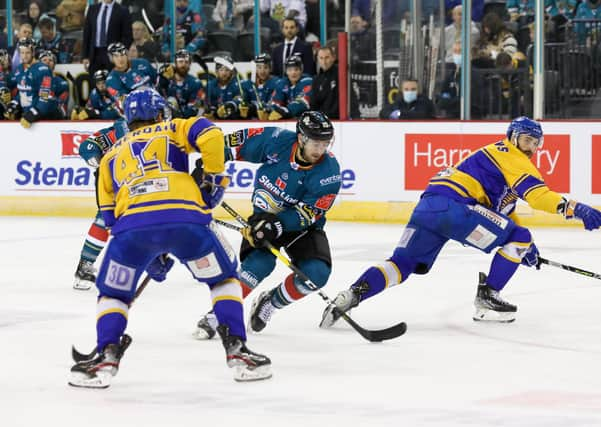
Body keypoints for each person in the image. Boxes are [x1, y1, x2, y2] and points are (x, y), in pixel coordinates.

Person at [68, 88, 272, 388]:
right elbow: (212, 135)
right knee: (223, 280)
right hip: (188, 223)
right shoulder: (174, 128)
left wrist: (150, 253)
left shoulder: (110, 156)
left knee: (114, 295)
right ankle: (238, 351)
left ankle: (106, 355)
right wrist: (214, 178)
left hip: (132, 231)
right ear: (161, 112)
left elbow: (109, 216)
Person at [319, 117, 601, 328]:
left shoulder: (497, 162)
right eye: (526, 140)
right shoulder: (510, 155)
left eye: (535, 143)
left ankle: (352, 294)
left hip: (428, 208)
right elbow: (539, 198)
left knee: (401, 264)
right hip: (457, 208)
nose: (530, 148)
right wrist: (576, 209)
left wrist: (525, 249)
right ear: (512, 138)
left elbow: (506, 216)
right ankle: (488, 297)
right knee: (520, 237)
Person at [194, 110, 341, 338]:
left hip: (301, 228)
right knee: (258, 266)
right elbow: (231, 146)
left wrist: (279, 225)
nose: (320, 150)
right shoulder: (275, 140)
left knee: (317, 274)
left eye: (325, 144)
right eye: (316, 143)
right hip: (262, 219)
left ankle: (270, 303)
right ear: (301, 138)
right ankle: (218, 315)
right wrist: (207, 166)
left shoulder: (329, 173)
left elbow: (309, 212)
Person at [73, 117, 129, 290]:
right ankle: (85, 266)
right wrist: (100, 164)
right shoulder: (118, 130)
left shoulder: (155, 130)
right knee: (104, 220)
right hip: (115, 185)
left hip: (141, 183)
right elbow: (87, 147)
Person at [4, 38, 56, 128]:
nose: (24, 56)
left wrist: (35, 112)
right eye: (22, 53)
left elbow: (46, 96)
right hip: (26, 116)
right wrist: (14, 104)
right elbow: (22, 92)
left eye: (27, 52)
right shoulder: (19, 69)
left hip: (43, 118)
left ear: (33, 52)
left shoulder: (43, 70)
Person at [82, 0, 133, 75]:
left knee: (114, 81)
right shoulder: (92, 9)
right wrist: (85, 56)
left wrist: (120, 54)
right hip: (94, 54)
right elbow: (87, 34)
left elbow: (127, 35)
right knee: (95, 82)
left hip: (113, 54)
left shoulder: (122, 10)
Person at [157, 49, 205, 118]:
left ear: (190, 64)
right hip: (167, 121)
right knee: (171, 100)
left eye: (186, 62)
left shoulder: (196, 83)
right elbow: (158, 100)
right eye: (180, 61)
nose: (183, 64)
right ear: (175, 63)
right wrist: (162, 81)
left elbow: (194, 107)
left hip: (186, 122)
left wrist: (177, 114)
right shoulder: (166, 80)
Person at [266, 54, 312, 120]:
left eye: (296, 69)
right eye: (290, 70)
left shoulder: (308, 81)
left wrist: (285, 110)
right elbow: (275, 101)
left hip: (307, 120)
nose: (293, 73)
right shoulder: (282, 83)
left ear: (301, 70)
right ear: (286, 71)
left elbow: (303, 102)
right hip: (289, 120)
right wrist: (270, 110)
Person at [240, 52, 278, 120]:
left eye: (265, 67)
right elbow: (243, 100)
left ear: (270, 68)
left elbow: (274, 103)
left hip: (270, 120)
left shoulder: (276, 83)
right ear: (256, 69)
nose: (262, 71)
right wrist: (243, 106)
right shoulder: (248, 84)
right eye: (259, 67)